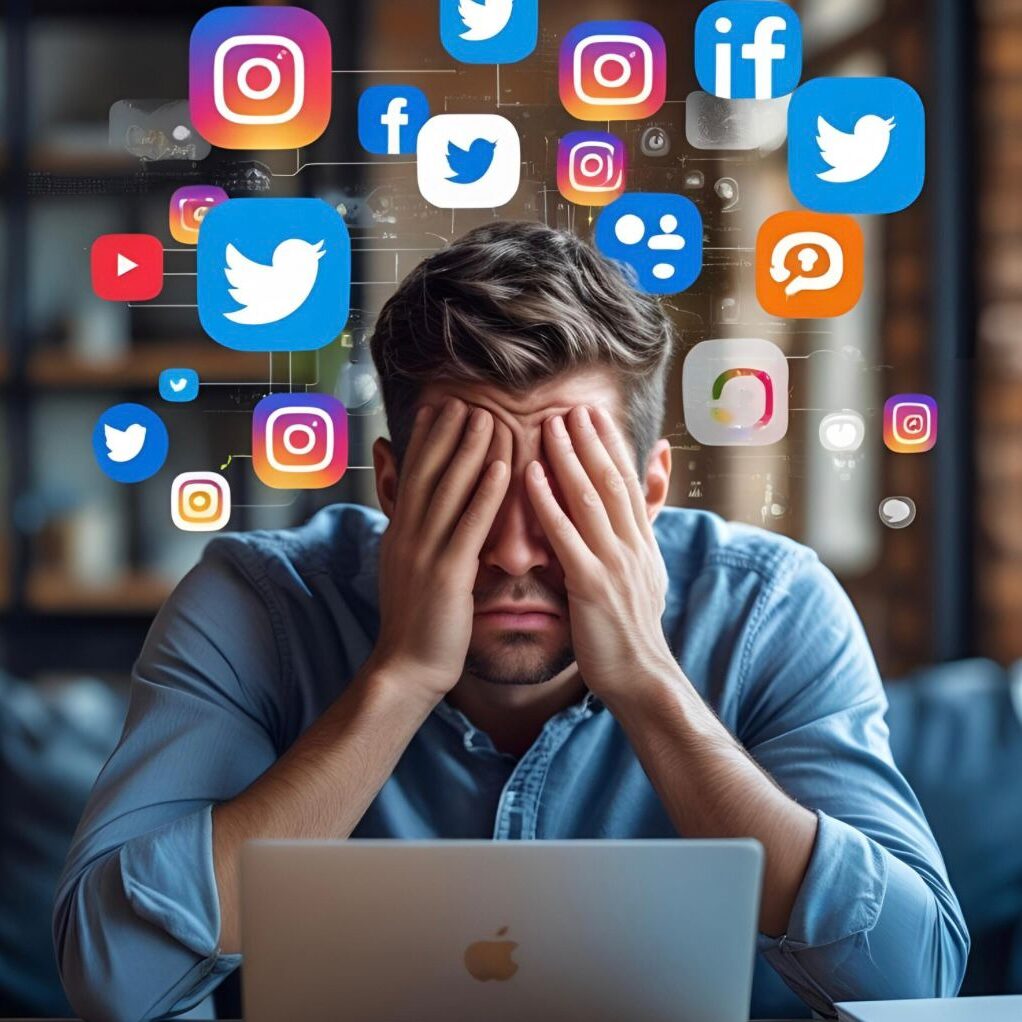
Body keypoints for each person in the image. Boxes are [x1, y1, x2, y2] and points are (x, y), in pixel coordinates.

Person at [54, 221, 968, 1022]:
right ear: (393, 486)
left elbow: (912, 983)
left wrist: (649, 684)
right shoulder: (258, 605)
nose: (521, 554)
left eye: (571, 495)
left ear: (649, 494)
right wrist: (400, 679)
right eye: (470, 492)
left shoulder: (770, 606)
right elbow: (112, 979)